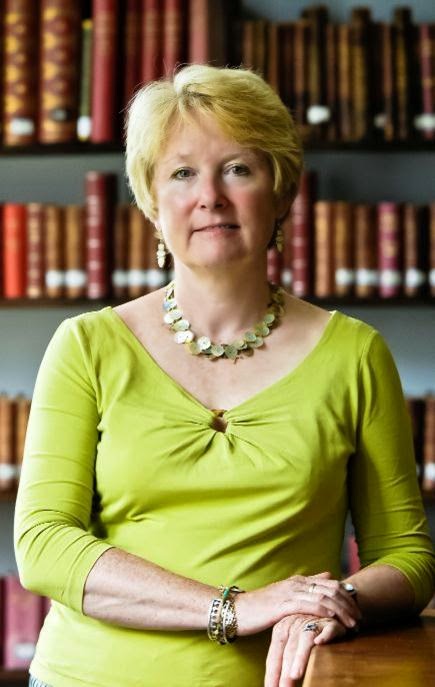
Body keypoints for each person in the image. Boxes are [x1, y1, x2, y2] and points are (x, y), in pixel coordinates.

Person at [15, 64, 434, 687]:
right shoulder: (86, 346)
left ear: (281, 193)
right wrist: (234, 609)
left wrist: (330, 603)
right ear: (153, 204)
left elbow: (408, 557)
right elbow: (44, 545)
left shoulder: (355, 355)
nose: (210, 195)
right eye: (182, 173)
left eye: (238, 168)